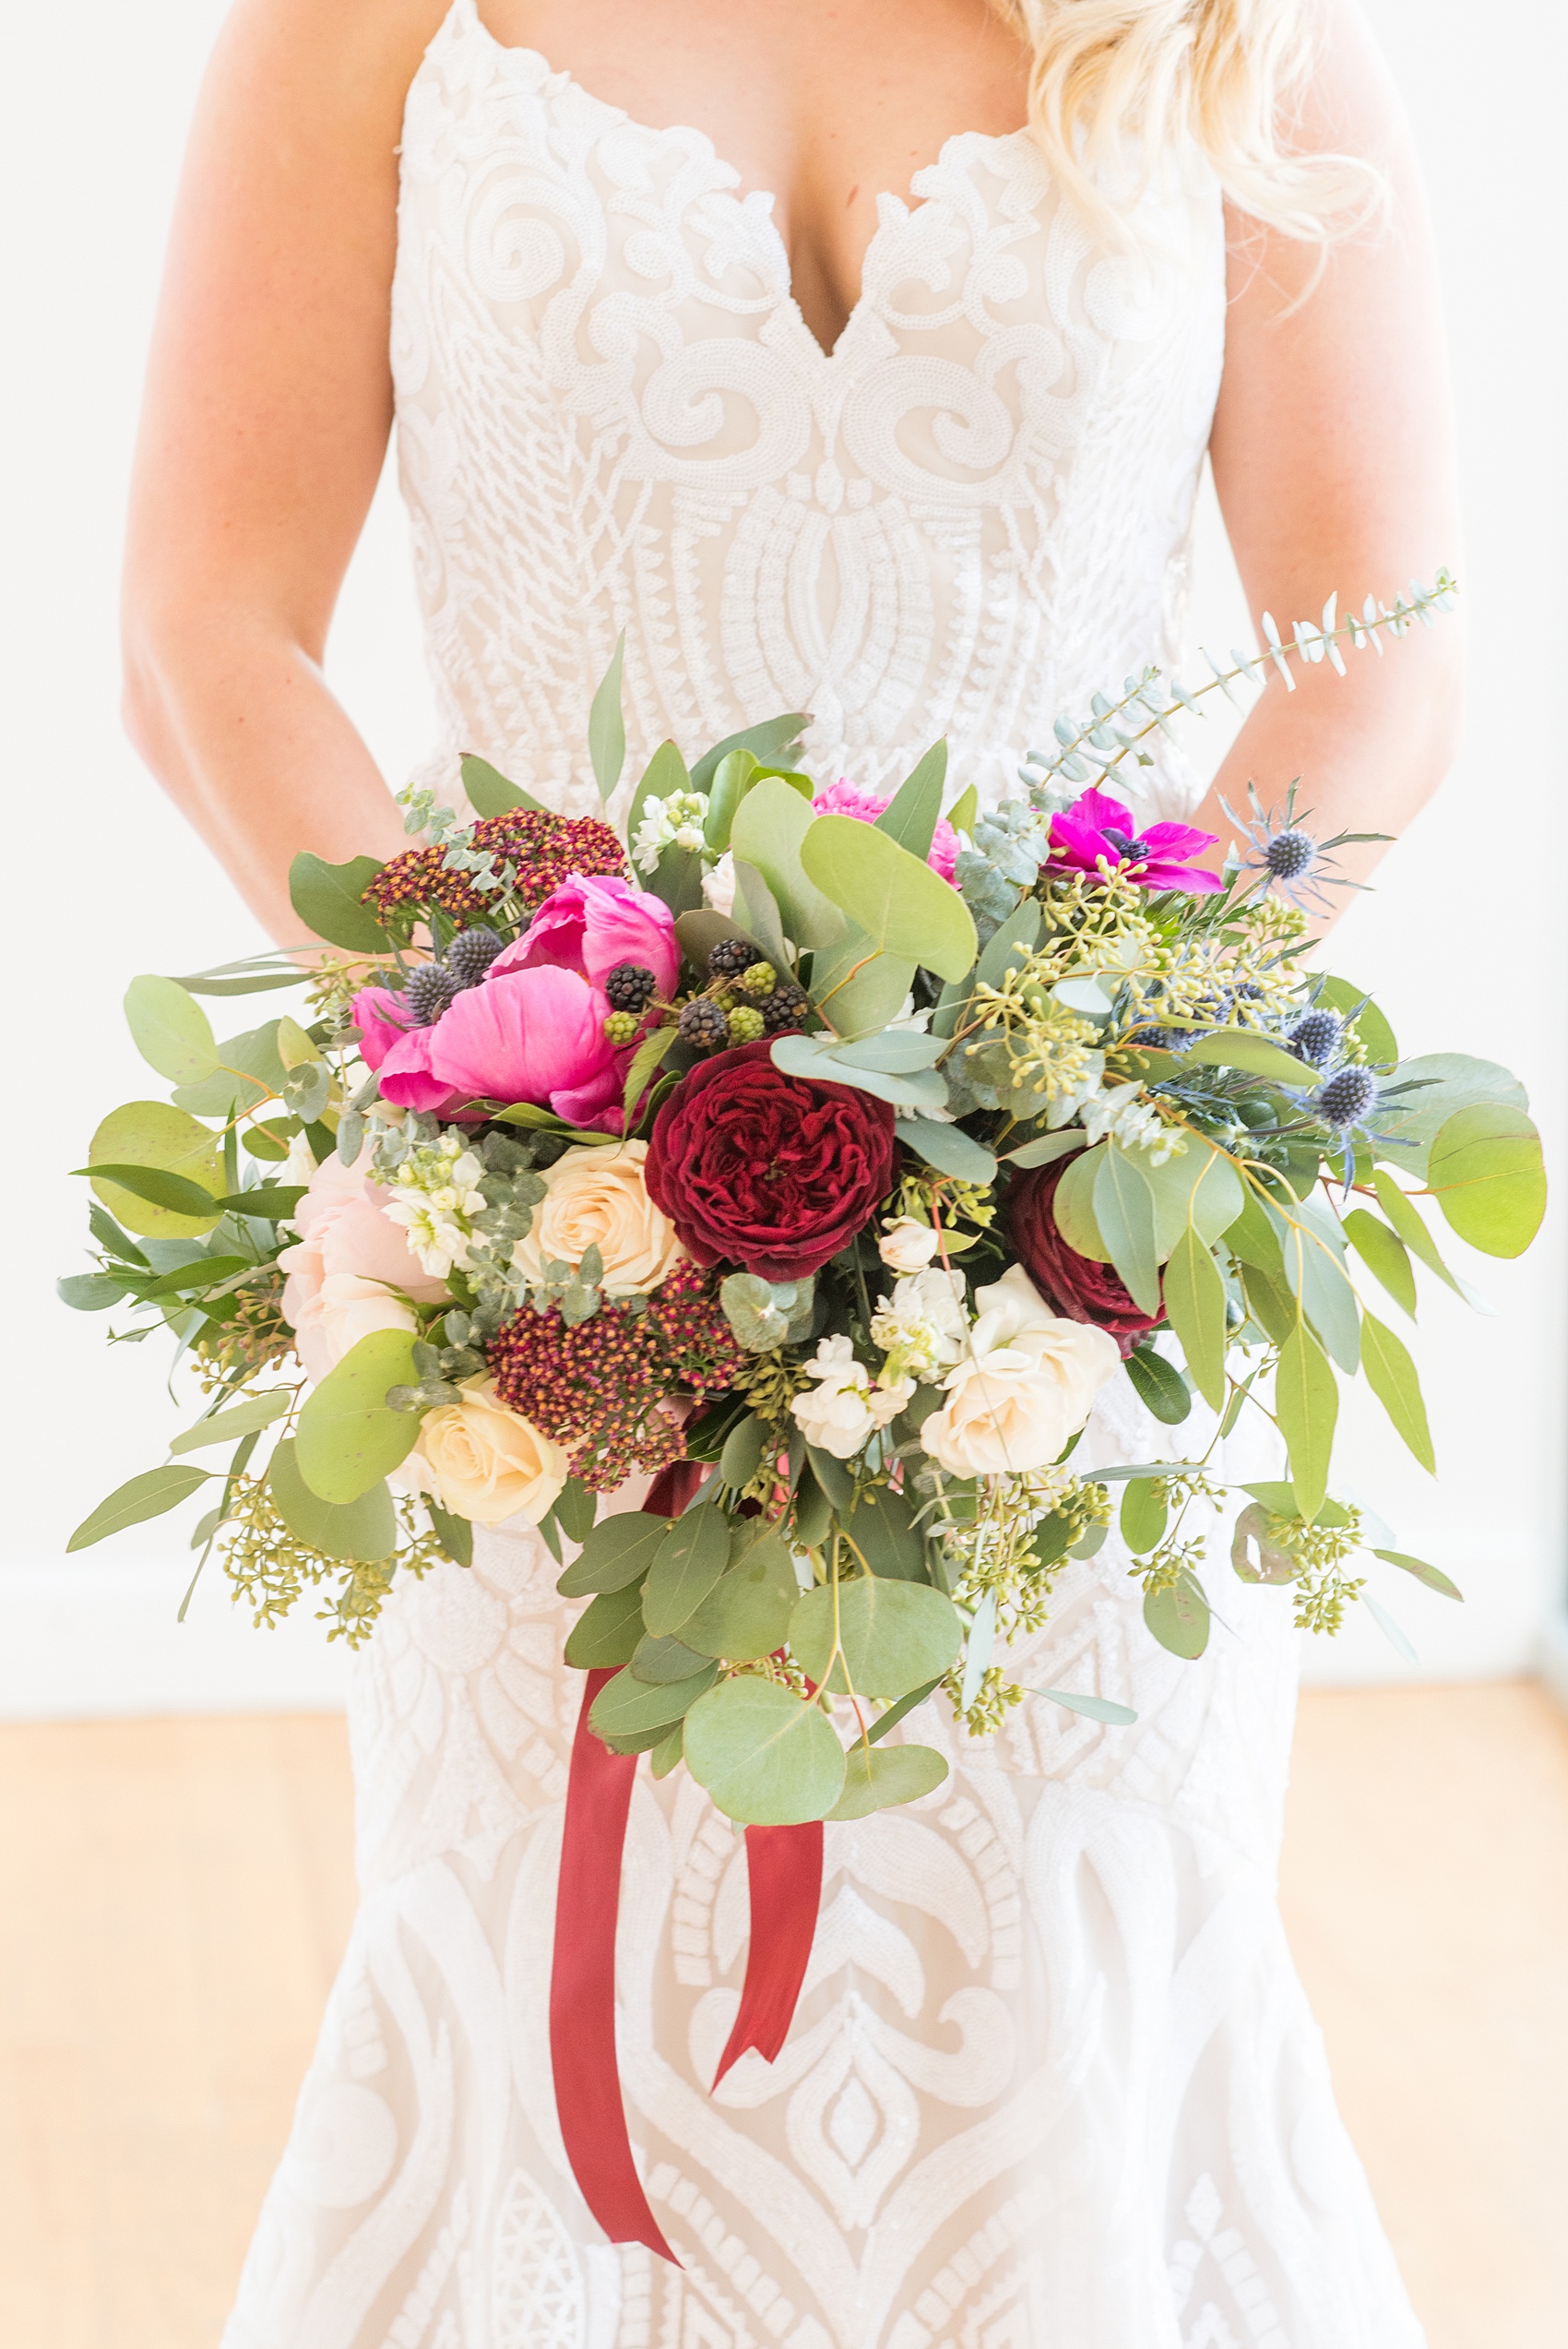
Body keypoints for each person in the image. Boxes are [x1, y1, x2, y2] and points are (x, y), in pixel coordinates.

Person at [123, 2, 1459, 2342]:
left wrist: (1076, 1070)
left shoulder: (1230, 23)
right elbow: (206, 629)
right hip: (554, 1306)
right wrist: (520, 1068)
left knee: (1066, 1989)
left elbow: (1377, 652)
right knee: (550, 1996)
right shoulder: (377, 20)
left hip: (1054, 1306)